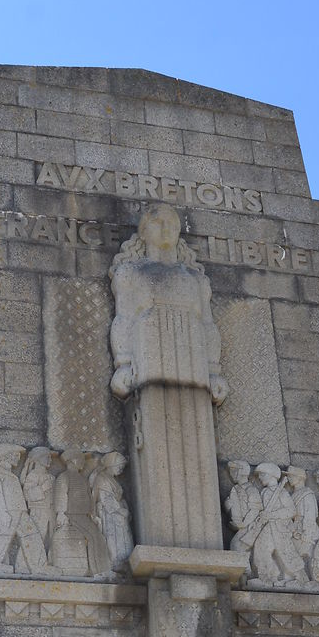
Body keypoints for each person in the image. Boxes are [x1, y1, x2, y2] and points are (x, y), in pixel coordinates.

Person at [109, 204, 228, 548]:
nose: (166, 228)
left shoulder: (194, 279)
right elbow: (124, 320)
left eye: (172, 223)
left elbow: (207, 326)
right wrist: (124, 363)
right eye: (157, 222)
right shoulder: (130, 273)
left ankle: (202, 543)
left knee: (197, 449)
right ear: (143, 231)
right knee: (156, 445)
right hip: (150, 363)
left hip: (192, 365)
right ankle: (163, 537)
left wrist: (215, 371)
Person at [0, 444, 48, 575]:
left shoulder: (10, 474)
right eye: (16, 455)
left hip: (20, 511)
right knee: (0, 536)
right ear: (7, 456)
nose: (18, 458)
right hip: (7, 512)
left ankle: (40, 567)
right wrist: (2, 513)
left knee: (32, 536)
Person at [51, 450, 112, 577]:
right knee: (95, 537)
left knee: (98, 537)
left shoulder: (82, 478)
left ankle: (101, 570)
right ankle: (101, 571)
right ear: (73, 460)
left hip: (84, 516)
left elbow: (89, 497)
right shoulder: (64, 477)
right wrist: (61, 513)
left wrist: (93, 514)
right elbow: (61, 495)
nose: (83, 463)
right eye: (81, 460)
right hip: (73, 516)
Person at [249, 463, 306, 584]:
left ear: (271, 475)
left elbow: (291, 510)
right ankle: (268, 577)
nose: (260, 478)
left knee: (287, 552)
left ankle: (301, 578)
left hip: (281, 528)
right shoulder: (264, 492)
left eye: (262, 475)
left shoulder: (282, 492)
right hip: (268, 527)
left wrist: (271, 515)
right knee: (261, 548)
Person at [89, 452, 133, 570]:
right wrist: (119, 510)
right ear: (111, 465)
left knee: (123, 539)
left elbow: (119, 498)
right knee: (113, 539)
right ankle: (115, 563)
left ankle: (123, 562)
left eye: (122, 467)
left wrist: (123, 508)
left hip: (117, 514)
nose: (121, 469)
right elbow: (105, 499)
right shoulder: (102, 478)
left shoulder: (112, 480)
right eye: (119, 466)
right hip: (109, 515)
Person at [285, 466, 319, 568]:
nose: (289, 479)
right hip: (296, 528)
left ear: (300, 478)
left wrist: (307, 532)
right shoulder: (294, 494)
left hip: (306, 530)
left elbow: (310, 515)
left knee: (311, 558)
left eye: (291, 476)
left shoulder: (307, 494)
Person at [225, 460, 262, 556]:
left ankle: (247, 570)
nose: (231, 473)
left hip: (250, 525)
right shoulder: (235, 489)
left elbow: (255, 510)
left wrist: (244, 523)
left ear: (242, 472)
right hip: (240, 525)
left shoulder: (251, 489)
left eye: (234, 470)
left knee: (236, 546)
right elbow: (234, 512)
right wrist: (227, 507)